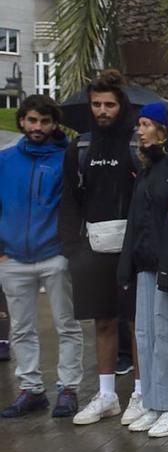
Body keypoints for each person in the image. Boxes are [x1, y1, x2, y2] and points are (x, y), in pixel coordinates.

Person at [62, 70, 140, 425]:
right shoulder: (79, 146)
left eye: (109, 104)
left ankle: (141, 393)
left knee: (137, 323)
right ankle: (107, 394)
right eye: (97, 104)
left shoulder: (138, 144)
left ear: (121, 105)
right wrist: (72, 247)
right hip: (92, 245)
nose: (103, 110)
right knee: (103, 322)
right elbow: (70, 199)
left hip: (134, 247)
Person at [0, 95, 83, 418]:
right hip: (13, 259)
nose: (37, 127)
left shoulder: (66, 158)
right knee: (20, 328)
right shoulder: (5, 160)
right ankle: (31, 389)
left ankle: (68, 388)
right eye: (32, 120)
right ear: (22, 121)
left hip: (55, 256)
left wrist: (69, 249)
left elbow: (78, 203)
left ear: (54, 124)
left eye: (44, 121)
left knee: (67, 324)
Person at [119, 100, 168, 438]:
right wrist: (127, 264)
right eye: (140, 124)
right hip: (146, 265)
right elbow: (136, 221)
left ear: (166, 130)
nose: (140, 130)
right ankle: (153, 402)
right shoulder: (149, 167)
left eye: (148, 124)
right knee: (147, 336)